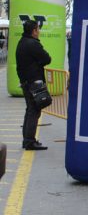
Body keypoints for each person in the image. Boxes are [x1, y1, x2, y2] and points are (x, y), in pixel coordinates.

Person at [16, 20, 51, 150]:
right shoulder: (33, 44)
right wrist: (39, 63)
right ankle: (30, 141)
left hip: (25, 81)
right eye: (38, 29)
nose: (39, 32)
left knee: (30, 110)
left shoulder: (22, 42)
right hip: (33, 82)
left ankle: (27, 140)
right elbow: (47, 58)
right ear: (34, 31)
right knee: (34, 111)